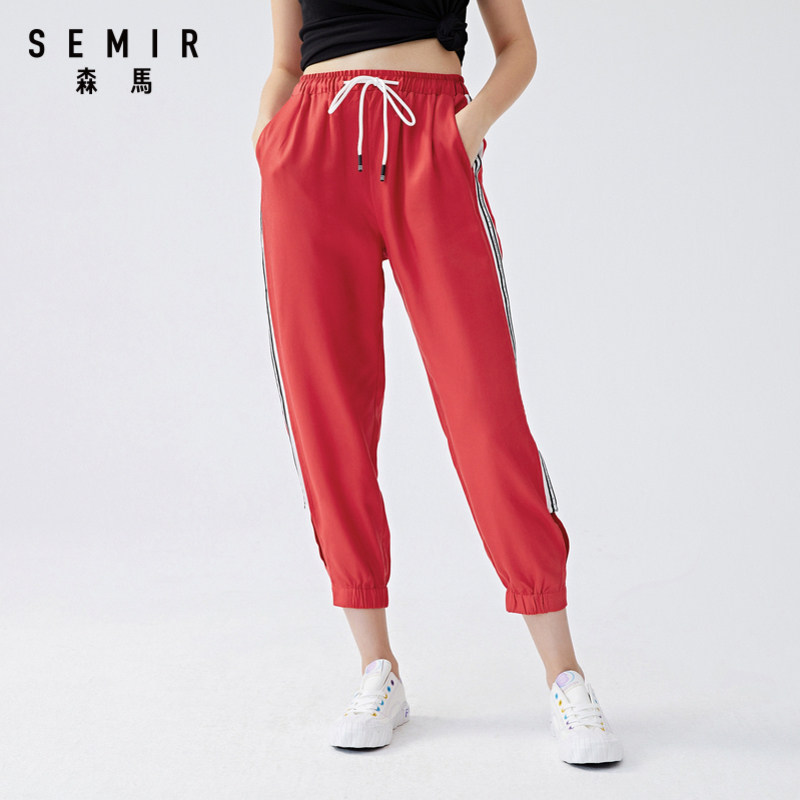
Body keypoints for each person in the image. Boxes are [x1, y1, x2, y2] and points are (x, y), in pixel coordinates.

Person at [252, 0, 623, 764]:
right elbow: (286, 61)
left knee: (485, 414)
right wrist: (270, 141)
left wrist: (465, 130)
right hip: (310, 156)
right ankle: (377, 668)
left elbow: (518, 47)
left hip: (431, 139)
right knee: (327, 415)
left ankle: (565, 673)